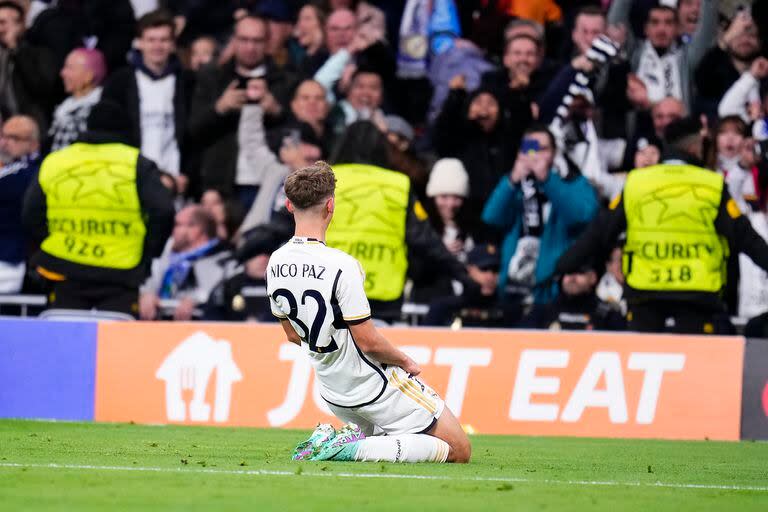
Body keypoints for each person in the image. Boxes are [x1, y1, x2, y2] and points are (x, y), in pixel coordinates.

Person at [268, 161, 470, 464]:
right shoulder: (342, 265)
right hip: (373, 384)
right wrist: (406, 361)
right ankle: (346, 446)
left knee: (391, 437)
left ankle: (351, 435)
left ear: (288, 205)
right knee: (458, 450)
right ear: (331, 206)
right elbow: (368, 342)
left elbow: (292, 335)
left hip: (332, 391)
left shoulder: (276, 262)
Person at [557, 117, 768, 334]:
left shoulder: (637, 183)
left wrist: (562, 265)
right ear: (696, 146)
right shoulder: (711, 184)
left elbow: (600, 232)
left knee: (646, 362)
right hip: (696, 294)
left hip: (646, 293)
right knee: (692, 363)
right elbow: (746, 238)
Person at [22, 100, 175, 316]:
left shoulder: (56, 161)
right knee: (116, 345)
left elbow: (30, 213)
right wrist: (148, 252)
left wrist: (52, 240)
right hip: (121, 271)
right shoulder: (136, 164)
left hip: (64, 267)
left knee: (64, 343)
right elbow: (164, 211)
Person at [482, 124, 599, 309]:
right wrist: (511, 180)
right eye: (529, 149)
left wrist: (547, 179)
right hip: (514, 291)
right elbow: (492, 218)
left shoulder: (573, 182)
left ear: (554, 152)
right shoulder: (517, 187)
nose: (534, 155)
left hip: (553, 291)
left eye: (541, 149)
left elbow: (580, 216)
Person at [188, 14, 296, 202]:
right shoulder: (213, 77)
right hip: (220, 182)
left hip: (268, 181)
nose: (250, 47)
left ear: (268, 43)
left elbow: (298, 130)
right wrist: (220, 108)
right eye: (244, 40)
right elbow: (193, 131)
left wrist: (276, 110)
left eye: (257, 41)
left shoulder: (284, 80)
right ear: (234, 41)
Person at [101, 9, 195, 193]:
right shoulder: (120, 82)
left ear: (173, 44)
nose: (157, 46)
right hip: (131, 179)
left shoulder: (188, 82)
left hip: (176, 181)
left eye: (164, 40)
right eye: (151, 40)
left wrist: (189, 174)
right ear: (140, 43)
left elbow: (194, 134)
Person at [607, 0, 717, 112]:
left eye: (668, 23)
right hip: (640, 124)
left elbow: (707, 28)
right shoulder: (634, 52)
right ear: (646, 28)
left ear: (677, 28)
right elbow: (615, 26)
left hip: (678, 125)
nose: (661, 29)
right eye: (655, 22)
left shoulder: (686, 58)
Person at [139, 205, 231, 321]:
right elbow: (148, 281)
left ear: (196, 230)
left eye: (177, 225)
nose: (172, 231)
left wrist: (195, 301)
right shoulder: (166, 255)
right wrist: (147, 294)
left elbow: (216, 292)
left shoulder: (222, 260)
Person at [0, 1, 57, 131]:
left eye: (3, 23)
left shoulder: (39, 53)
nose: (0, 29)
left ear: (20, 25)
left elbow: (41, 87)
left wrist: (14, 48)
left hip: (31, 127)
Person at [0, 115, 41, 293]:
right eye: (3, 136)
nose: (4, 143)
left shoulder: (34, 173)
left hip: (10, 262)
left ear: (33, 144)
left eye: (14, 138)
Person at [48, 48, 107, 152]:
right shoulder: (65, 107)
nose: (63, 73)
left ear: (88, 76)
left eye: (70, 68)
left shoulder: (97, 110)